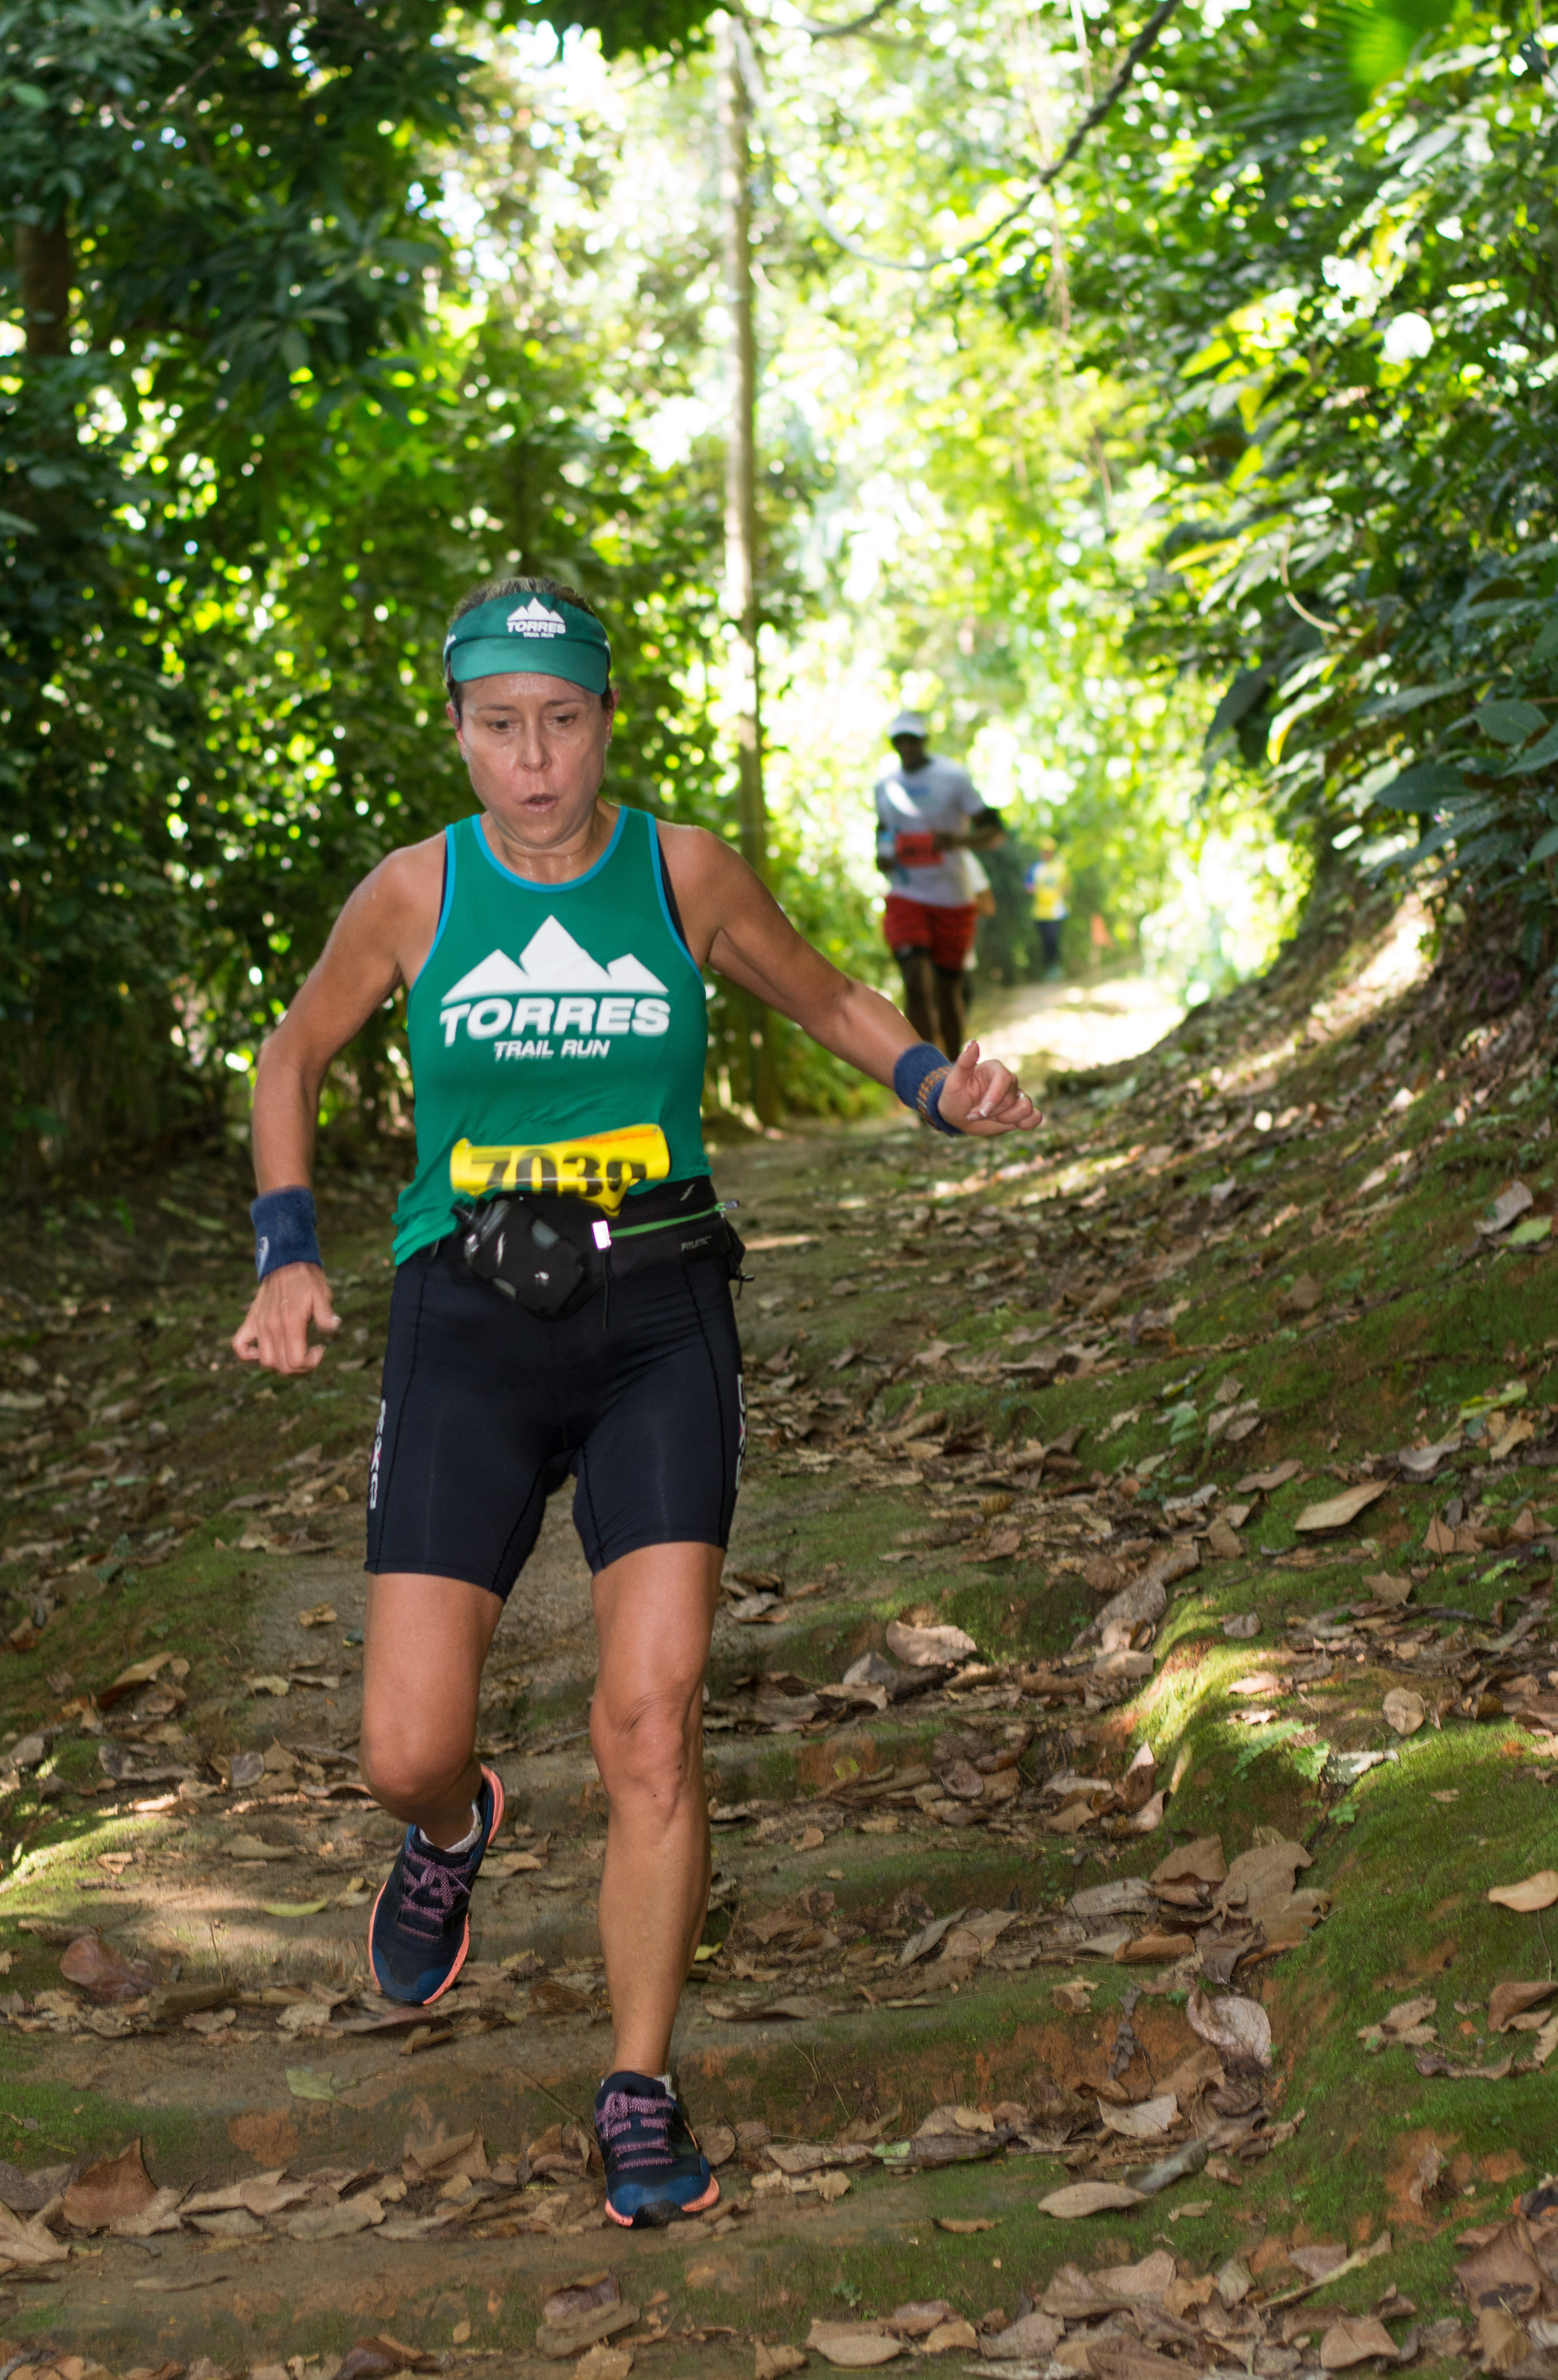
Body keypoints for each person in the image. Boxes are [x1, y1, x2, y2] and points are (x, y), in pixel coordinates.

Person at [231, 579, 1043, 2231]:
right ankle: (451, 1833)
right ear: (458, 733)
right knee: (405, 1746)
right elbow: (288, 1059)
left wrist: (931, 1087)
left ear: (607, 721)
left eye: (564, 722)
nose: (534, 763)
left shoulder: (676, 872)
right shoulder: (414, 893)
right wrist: (287, 1252)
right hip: (463, 1318)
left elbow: (825, 998)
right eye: (498, 728)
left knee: (651, 1720)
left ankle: (637, 2080)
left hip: (657, 1311)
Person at [874, 710, 1005, 1057]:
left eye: (912, 739)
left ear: (924, 741)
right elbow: (883, 831)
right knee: (915, 983)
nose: (906, 747)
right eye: (899, 741)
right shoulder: (884, 785)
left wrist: (959, 842)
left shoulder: (953, 777)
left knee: (948, 992)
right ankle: (925, 1078)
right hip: (906, 893)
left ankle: (952, 1074)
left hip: (952, 897)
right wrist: (882, 856)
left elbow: (995, 831)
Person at [1027, 835, 1070, 980]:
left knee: (1054, 940)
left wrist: (1062, 891)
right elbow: (1028, 886)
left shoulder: (1061, 868)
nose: (1046, 853)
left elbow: (1068, 886)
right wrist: (1032, 889)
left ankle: (1056, 969)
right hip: (1040, 912)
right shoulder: (1035, 869)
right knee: (1045, 942)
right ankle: (1048, 970)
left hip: (1057, 911)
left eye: (1049, 851)